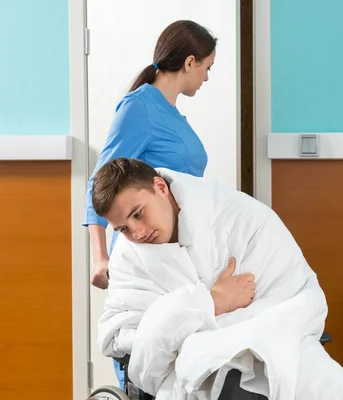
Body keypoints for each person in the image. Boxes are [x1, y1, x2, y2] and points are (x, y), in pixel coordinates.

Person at [92, 158, 343, 400]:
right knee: (227, 374)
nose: (137, 233)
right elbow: (124, 335)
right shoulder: (128, 257)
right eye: (124, 229)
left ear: (160, 187)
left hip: (270, 331)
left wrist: (205, 324)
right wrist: (209, 303)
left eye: (138, 214)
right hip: (191, 365)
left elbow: (289, 291)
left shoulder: (236, 213)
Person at [82, 19, 217, 389]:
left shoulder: (172, 113)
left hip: (174, 247)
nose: (206, 77)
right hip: (142, 249)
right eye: (206, 67)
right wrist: (100, 257)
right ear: (189, 62)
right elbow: (99, 182)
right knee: (148, 348)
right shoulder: (139, 108)